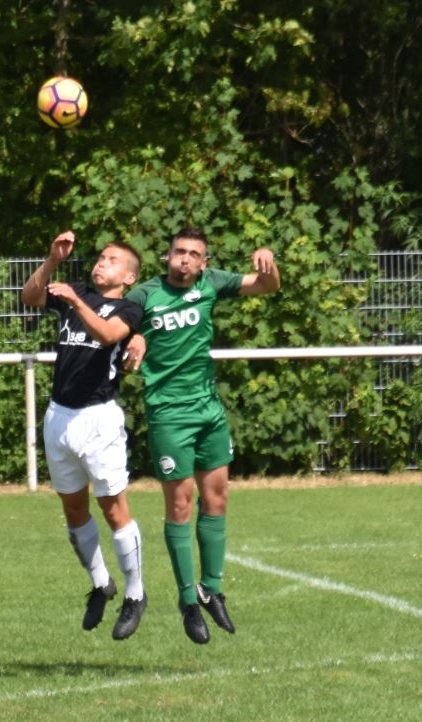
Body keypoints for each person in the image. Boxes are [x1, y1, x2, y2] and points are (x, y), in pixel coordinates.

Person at [124, 227, 280, 644]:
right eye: (180, 252)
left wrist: (268, 261)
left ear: (204, 263)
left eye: (195, 254)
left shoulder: (211, 283)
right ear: (167, 256)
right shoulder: (144, 295)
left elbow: (267, 286)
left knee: (218, 498)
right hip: (169, 413)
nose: (186, 259)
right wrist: (134, 335)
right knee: (180, 504)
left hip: (209, 409)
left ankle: (210, 590)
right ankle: (187, 601)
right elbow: (117, 327)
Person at [21, 230, 147, 641]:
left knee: (113, 510)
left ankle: (135, 593)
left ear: (128, 277)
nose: (100, 263)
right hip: (60, 417)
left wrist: (76, 302)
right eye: (100, 257)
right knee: (74, 510)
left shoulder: (128, 308)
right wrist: (52, 260)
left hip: (98, 419)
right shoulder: (77, 292)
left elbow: (108, 335)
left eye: (112, 260)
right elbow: (29, 296)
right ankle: (100, 584)